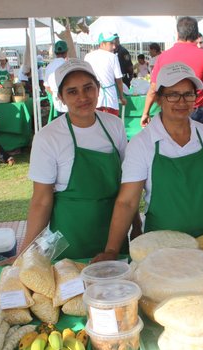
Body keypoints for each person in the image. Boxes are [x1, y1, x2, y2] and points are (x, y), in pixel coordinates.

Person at [93, 62, 203, 262]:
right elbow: (127, 202)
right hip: (163, 252)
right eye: (173, 95)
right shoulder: (142, 143)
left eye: (188, 94)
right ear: (158, 99)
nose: (181, 102)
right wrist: (112, 250)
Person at [22, 59, 133, 260]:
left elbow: (128, 185)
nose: (82, 97)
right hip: (69, 240)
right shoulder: (48, 137)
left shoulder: (114, 126)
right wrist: (24, 252)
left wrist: (137, 227)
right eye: (72, 92)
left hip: (113, 238)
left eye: (88, 88)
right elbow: (41, 200)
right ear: (61, 98)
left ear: (98, 89)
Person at [141, 17, 203, 128]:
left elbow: (153, 88)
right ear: (196, 35)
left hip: (170, 113)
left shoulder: (163, 57)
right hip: (195, 112)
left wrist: (145, 113)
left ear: (177, 34)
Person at [84, 32, 127, 116]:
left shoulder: (88, 56)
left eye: (114, 44)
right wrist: (122, 96)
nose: (114, 47)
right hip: (109, 99)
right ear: (102, 44)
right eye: (111, 44)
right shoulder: (113, 57)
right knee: (110, 125)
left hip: (93, 98)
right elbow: (118, 79)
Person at [44, 40, 69, 116]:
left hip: (57, 102)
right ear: (66, 52)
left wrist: (55, 94)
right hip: (69, 100)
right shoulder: (68, 65)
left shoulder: (49, 66)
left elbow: (46, 86)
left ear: (55, 52)